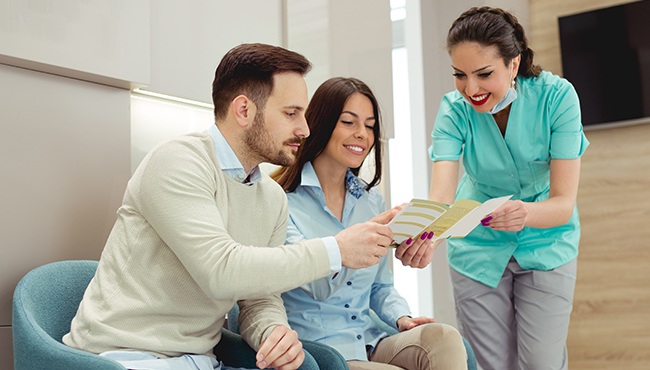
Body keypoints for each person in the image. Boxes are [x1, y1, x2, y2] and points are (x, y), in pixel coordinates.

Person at [62, 43, 399, 370]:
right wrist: (337, 250)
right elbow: (221, 271)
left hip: (201, 360)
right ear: (243, 110)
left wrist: (273, 331)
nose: (305, 129)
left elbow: (258, 297)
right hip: (127, 357)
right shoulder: (177, 163)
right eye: (291, 113)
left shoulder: (270, 197)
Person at [425, 7, 590, 370]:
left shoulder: (557, 97)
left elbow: (563, 203)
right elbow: (441, 195)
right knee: (489, 365)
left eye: (484, 74)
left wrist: (525, 213)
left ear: (513, 64)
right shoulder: (454, 110)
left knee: (542, 363)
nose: (471, 89)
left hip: (547, 241)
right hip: (477, 247)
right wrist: (425, 235)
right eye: (460, 75)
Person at [273, 77, 468, 370]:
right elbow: (316, 285)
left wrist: (402, 317)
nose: (362, 134)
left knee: (443, 337)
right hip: (320, 349)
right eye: (348, 122)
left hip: (369, 340)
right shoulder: (281, 203)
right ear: (321, 123)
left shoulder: (371, 200)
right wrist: (353, 244)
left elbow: (380, 286)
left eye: (370, 124)